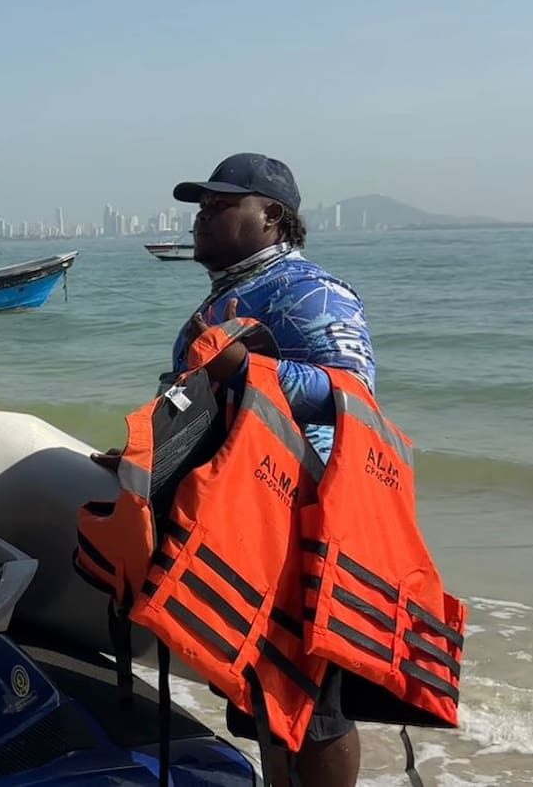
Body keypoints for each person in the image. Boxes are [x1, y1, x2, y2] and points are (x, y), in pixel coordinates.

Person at [95, 153, 374, 787]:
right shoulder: (234, 295)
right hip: (241, 514)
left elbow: (353, 394)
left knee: (313, 701)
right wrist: (153, 457)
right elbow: (207, 403)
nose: (201, 219)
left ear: (272, 216)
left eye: (220, 206)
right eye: (200, 208)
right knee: (263, 688)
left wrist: (245, 368)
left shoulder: (311, 291)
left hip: (304, 516)